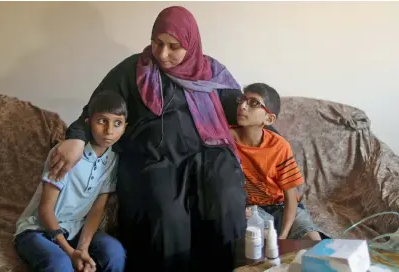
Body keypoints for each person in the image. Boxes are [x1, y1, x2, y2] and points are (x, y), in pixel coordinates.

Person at [44, 6, 258, 272]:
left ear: (191, 45)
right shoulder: (133, 70)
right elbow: (97, 109)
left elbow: (244, 113)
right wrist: (76, 138)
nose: (163, 54)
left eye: (174, 46)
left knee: (225, 198)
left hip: (208, 155)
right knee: (166, 213)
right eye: (157, 43)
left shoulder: (211, 72)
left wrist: (267, 134)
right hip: (154, 158)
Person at [14, 90, 127, 272]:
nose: (109, 131)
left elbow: (97, 210)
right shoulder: (66, 154)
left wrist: (82, 247)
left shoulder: (113, 160)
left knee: (114, 252)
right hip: (38, 229)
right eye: (102, 121)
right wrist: (69, 251)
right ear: (88, 122)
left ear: (125, 126)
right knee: (60, 264)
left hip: (75, 229)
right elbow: (45, 208)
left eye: (117, 123)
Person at [231, 83, 322, 241]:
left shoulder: (279, 146)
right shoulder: (226, 139)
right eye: (242, 100)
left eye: (253, 103)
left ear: (269, 118)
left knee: (314, 241)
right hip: (252, 209)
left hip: (282, 206)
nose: (243, 106)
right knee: (265, 240)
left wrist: (284, 235)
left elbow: (290, 196)